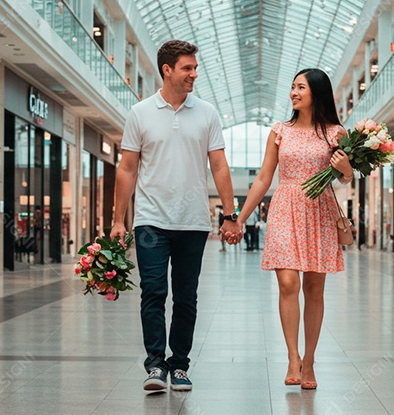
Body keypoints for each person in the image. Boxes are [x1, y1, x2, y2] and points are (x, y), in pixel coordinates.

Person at [110, 40, 238, 393]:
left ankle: (179, 364)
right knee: (153, 291)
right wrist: (118, 220)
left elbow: (219, 165)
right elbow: (127, 168)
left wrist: (230, 215)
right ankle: (155, 365)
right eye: (187, 68)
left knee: (186, 296)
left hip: (193, 222)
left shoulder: (207, 113)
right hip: (150, 220)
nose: (194, 74)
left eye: (195, 68)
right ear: (167, 70)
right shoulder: (140, 112)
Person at [229, 68, 353, 390]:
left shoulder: (336, 132)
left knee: (314, 289)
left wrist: (346, 169)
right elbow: (263, 178)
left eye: (301, 87)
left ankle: (309, 360)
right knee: (287, 283)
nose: (294, 93)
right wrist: (240, 218)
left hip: (320, 211)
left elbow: (346, 178)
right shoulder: (279, 131)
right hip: (285, 207)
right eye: (293, 87)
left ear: (317, 92)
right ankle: (292, 355)